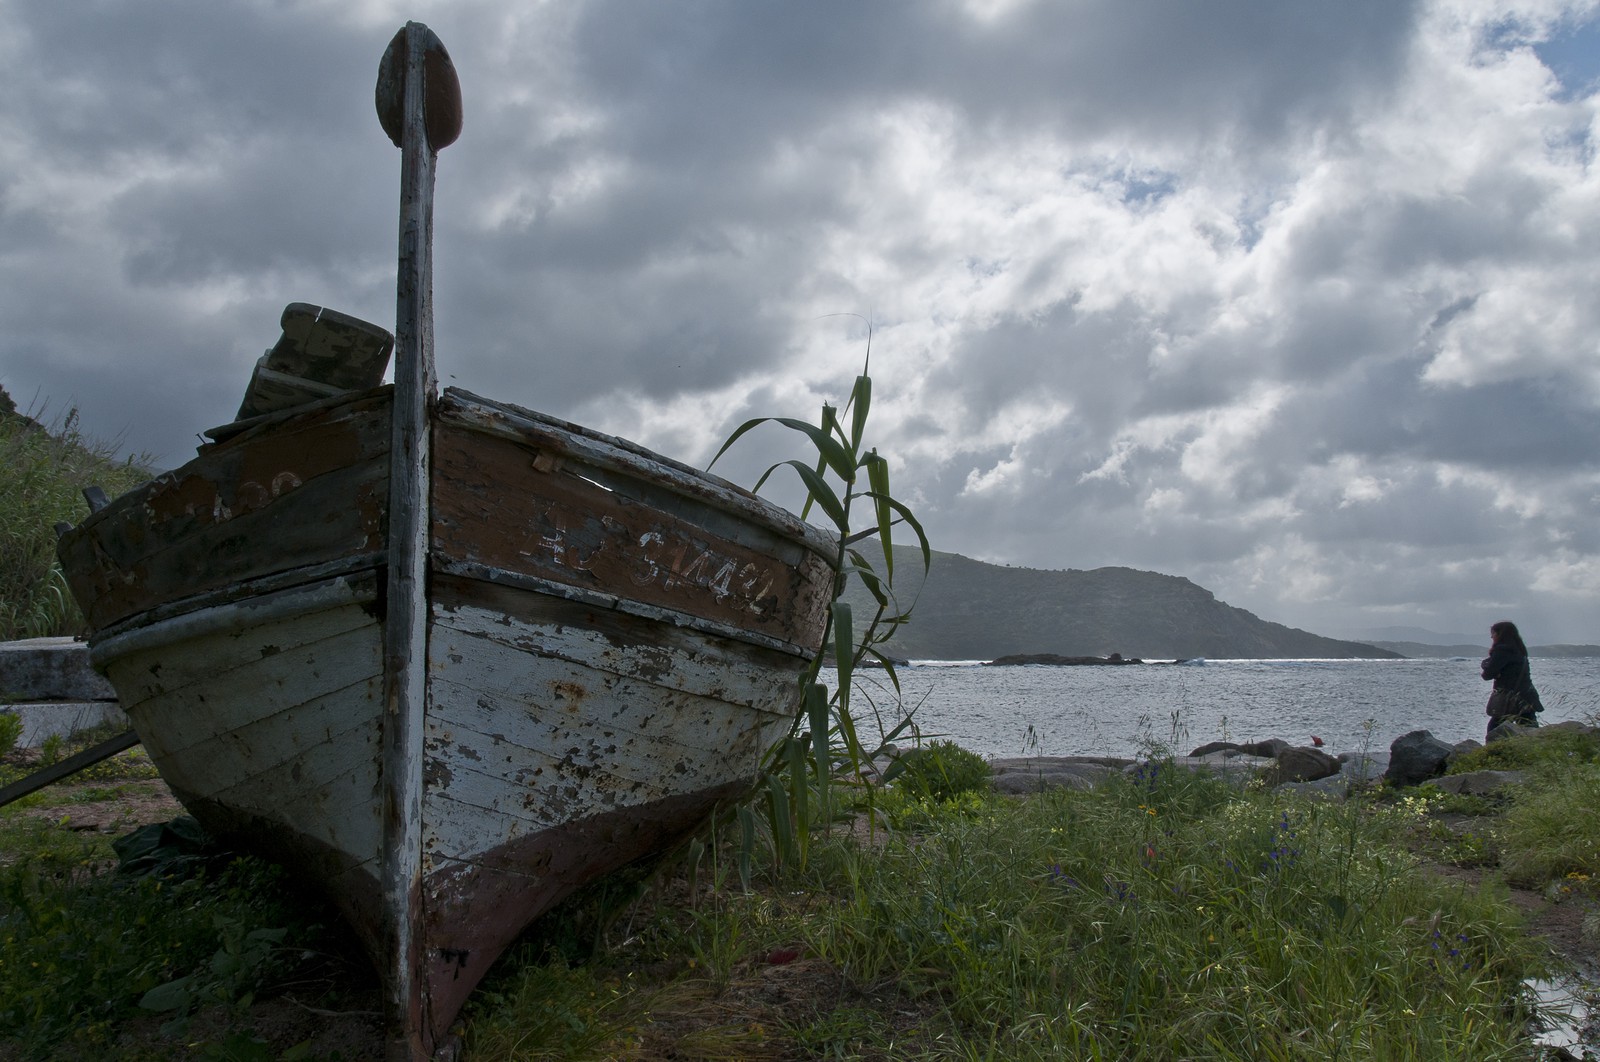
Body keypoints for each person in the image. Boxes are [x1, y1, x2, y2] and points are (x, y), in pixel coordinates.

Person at [1481, 620, 1543, 739]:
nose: (1491, 637)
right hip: (1526, 694)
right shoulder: (1520, 650)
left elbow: (1487, 674)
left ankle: (1494, 754)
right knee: (1530, 728)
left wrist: (1490, 669)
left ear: (1500, 634)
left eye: (1493, 634)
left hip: (1509, 697)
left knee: (1495, 729)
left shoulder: (1502, 650)